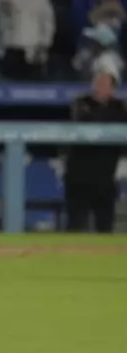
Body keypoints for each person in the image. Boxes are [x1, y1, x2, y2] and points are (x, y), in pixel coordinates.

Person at [64, 70, 126, 232]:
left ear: (113, 88)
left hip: (105, 179)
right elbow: (84, 121)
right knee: (76, 226)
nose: (100, 87)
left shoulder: (120, 107)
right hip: (78, 177)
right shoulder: (81, 102)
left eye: (105, 84)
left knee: (105, 227)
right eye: (98, 83)